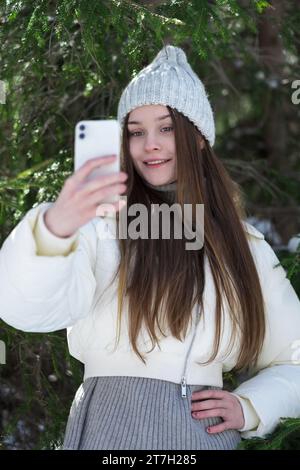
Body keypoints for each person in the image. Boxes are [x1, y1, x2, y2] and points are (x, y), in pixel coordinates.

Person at [0, 44, 300, 451]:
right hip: (108, 427)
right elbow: (23, 307)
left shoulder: (244, 246)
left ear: (197, 138)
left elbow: (295, 357)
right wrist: (55, 228)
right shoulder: (100, 225)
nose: (150, 144)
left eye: (166, 128)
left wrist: (251, 405)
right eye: (136, 132)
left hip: (204, 435)